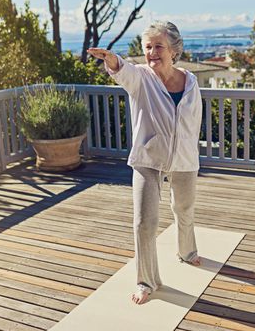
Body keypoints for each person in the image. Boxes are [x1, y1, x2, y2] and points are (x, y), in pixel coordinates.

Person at [87, 21, 202, 305]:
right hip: (148, 158)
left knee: (184, 207)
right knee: (144, 223)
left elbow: (194, 120)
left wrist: (188, 150)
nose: (151, 52)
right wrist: (112, 60)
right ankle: (146, 281)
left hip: (185, 157)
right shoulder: (140, 77)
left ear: (173, 50)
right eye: (147, 47)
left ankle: (187, 251)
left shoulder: (190, 81)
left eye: (158, 46)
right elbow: (122, 71)